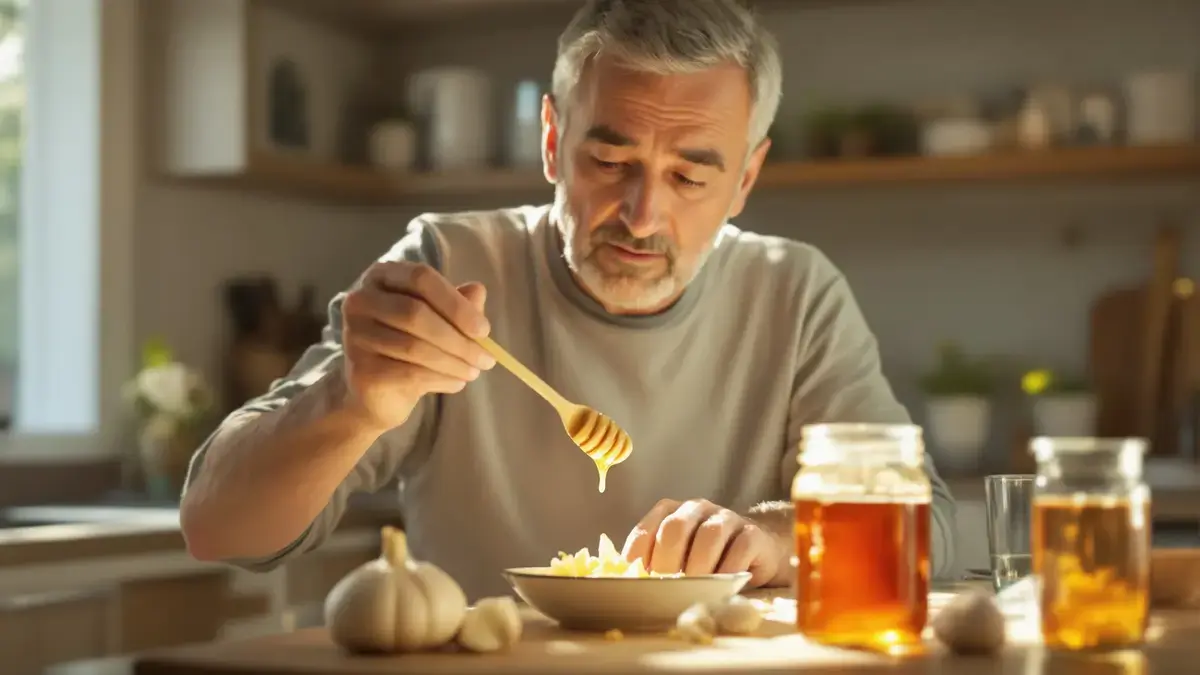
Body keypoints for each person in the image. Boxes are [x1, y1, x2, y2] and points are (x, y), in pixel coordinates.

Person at [179, 0, 956, 600]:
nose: (643, 214)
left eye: (690, 176)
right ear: (552, 141)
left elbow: (931, 531)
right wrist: (353, 401)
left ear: (745, 180)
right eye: (610, 157)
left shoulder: (795, 293)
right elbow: (216, 527)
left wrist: (774, 537)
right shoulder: (449, 265)